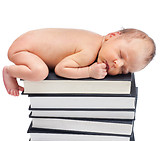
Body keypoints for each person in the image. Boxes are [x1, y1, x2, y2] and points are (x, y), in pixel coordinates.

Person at [3, 28, 156, 96]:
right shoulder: (90, 51)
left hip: (28, 40)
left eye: (124, 70)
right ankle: (9, 71)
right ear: (111, 35)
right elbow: (61, 69)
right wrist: (89, 72)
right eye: (121, 54)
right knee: (40, 72)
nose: (118, 64)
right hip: (23, 50)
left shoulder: (95, 39)